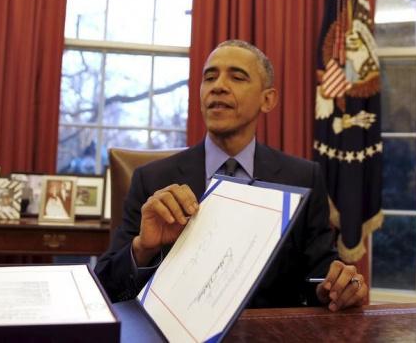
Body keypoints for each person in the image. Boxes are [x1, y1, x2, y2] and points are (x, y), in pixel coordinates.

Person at [95, 40, 368, 311]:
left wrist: (337, 287)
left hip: (270, 330)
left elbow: (318, 277)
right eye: (209, 77)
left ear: (267, 99)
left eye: (237, 77)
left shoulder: (303, 178)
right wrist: (142, 249)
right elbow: (107, 289)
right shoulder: (152, 180)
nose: (218, 86)